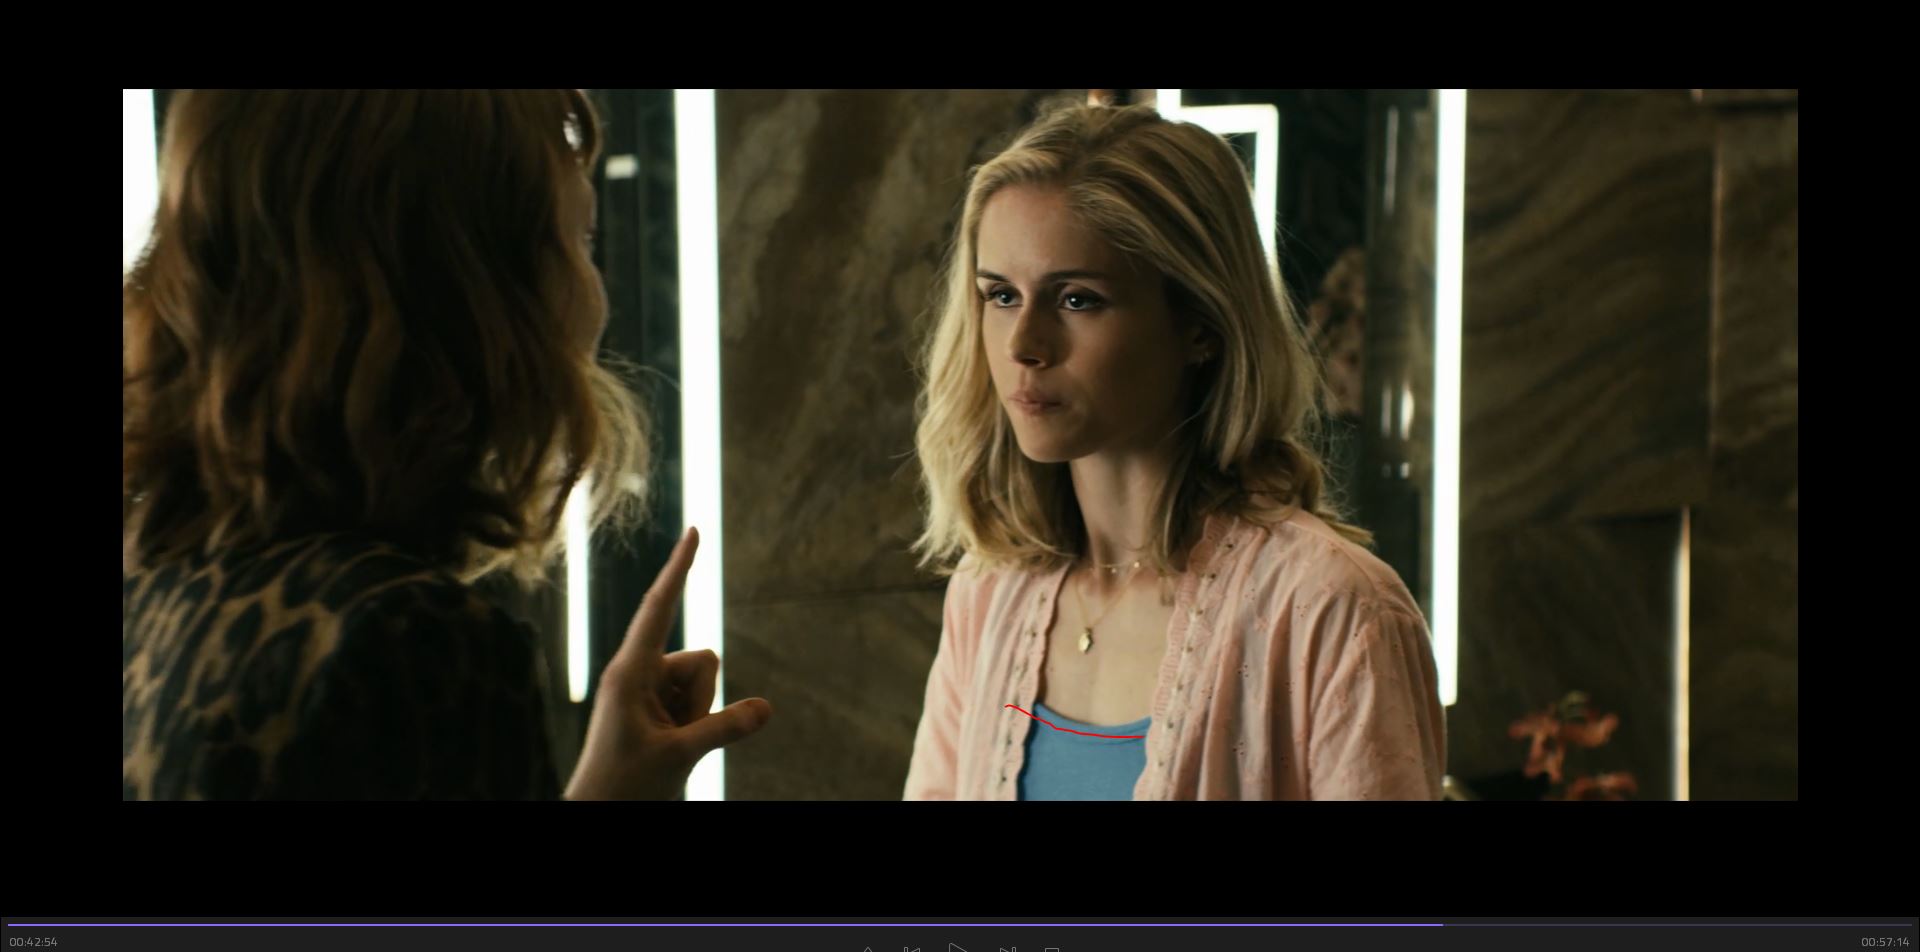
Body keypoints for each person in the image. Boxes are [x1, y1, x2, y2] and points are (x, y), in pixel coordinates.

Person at [122, 89, 770, 800]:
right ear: (473, 288)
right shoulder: (413, 642)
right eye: (580, 240)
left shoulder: (153, 597)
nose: (597, 296)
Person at [904, 101, 1443, 800]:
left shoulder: (1332, 610)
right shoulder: (990, 592)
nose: (1023, 345)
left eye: (1077, 300)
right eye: (1001, 295)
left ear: (1201, 325)